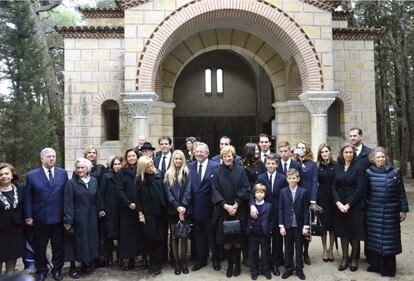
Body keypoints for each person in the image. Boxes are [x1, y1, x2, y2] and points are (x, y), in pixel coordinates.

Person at [23, 148, 68, 281]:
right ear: (42, 158)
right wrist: (28, 216)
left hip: (58, 217)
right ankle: (42, 270)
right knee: (40, 247)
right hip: (40, 218)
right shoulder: (31, 175)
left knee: (58, 246)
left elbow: (66, 195)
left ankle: (57, 270)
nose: (51, 159)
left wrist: (67, 216)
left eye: (53, 156)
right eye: (48, 156)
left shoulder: (63, 173)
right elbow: (28, 198)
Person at [365, 147, 409, 277]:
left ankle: (389, 269)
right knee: (375, 240)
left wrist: (403, 209)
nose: (380, 159)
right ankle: (376, 266)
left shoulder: (395, 172)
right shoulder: (368, 172)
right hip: (373, 211)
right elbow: (365, 193)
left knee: (390, 240)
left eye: (382, 157)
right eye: (378, 157)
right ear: (373, 159)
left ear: (386, 158)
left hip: (391, 211)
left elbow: (401, 192)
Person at [211, 145, 250, 278]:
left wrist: (236, 204)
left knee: (238, 240)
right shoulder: (216, 172)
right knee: (226, 241)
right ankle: (230, 265)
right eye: (224, 156)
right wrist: (225, 205)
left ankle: (238, 265)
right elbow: (214, 190)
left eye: (229, 156)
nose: (227, 158)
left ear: (233, 157)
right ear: (221, 158)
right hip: (223, 210)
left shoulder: (241, 170)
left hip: (238, 210)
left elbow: (246, 188)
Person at [251, 153, 287, 276]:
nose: (271, 165)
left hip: (277, 213)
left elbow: (285, 196)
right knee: (265, 241)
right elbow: (253, 193)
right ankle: (264, 263)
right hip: (263, 214)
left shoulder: (282, 178)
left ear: (277, 164)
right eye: (268, 163)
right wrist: (252, 205)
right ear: (265, 164)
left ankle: (275, 264)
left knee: (277, 241)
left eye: (273, 163)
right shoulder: (261, 177)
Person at [331, 143, 366, 272]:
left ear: (354, 154)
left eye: (351, 152)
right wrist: (338, 203)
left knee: (354, 233)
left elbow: (360, 189)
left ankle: (354, 259)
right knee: (343, 233)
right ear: (342, 154)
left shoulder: (359, 167)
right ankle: (345, 258)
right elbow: (333, 187)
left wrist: (348, 204)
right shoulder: (338, 167)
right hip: (339, 205)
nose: (348, 154)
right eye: (346, 152)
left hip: (354, 205)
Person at [63, 158, 99, 278]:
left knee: (88, 240)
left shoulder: (94, 181)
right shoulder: (71, 183)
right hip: (78, 217)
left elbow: (97, 198)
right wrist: (68, 220)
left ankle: (86, 263)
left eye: (82, 167)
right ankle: (73, 268)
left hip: (91, 216)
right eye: (77, 168)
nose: (80, 170)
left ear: (88, 169)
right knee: (76, 242)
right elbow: (67, 203)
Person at [188, 142, 220, 271]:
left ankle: (216, 259)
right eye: (197, 151)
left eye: (202, 151)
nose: (199, 154)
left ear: (207, 153)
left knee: (213, 237)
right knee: (199, 236)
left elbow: (217, 187)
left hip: (211, 208)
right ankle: (201, 260)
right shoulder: (189, 167)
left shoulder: (216, 166)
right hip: (195, 208)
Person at [136, 156, 167, 275]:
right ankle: (152, 261)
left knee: (160, 238)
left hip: (161, 213)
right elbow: (137, 198)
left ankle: (158, 263)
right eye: (147, 166)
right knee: (150, 239)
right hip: (148, 214)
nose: (150, 168)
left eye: (151, 165)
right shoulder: (139, 180)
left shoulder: (159, 175)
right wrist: (140, 214)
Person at [164, 150, 192, 275]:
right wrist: (177, 207)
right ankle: (176, 263)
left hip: (185, 210)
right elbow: (168, 194)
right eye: (176, 159)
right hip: (172, 210)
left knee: (184, 236)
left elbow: (188, 191)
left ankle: (184, 262)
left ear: (183, 160)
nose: (178, 161)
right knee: (174, 237)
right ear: (173, 160)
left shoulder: (187, 173)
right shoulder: (167, 174)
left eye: (180, 159)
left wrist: (183, 206)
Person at [279, 169, 309, 280]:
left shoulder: (303, 191)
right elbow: (281, 209)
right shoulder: (283, 191)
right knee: (288, 248)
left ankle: (299, 269)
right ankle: (288, 268)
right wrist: (281, 225)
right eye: (290, 178)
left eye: (294, 178)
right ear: (287, 179)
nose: (292, 180)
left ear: (298, 179)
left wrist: (306, 226)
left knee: (299, 247)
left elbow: (306, 210)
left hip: (299, 226)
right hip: (287, 225)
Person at [117, 149, 144, 270]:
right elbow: (119, 190)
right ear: (126, 158)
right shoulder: (121, 172)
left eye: (133, 155)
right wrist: (129, 203)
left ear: (137, 157)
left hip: (141, 208)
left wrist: (139, 204)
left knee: (141, 233)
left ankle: (144, 259)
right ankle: (131, 260)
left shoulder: (141, 170)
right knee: (128, 235)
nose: (131, 158)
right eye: (129, 156)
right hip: (127, 209)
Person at [293, 141, 318, 265]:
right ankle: (296, 254)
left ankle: (306, 252)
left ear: (307, 150)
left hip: (307, 200)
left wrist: (313, 201)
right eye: (298, 147)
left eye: (303, 148)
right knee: (295, 227)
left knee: (306, 227)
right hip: (294, 199)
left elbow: (314, 183)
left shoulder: (312, 165)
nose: (301, 150)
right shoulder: (294, 163)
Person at [97, 156, 123, 267]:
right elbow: (101, 194)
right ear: (112, 166)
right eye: (115, 164)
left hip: (122, 209)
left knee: (122, 235)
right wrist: (102, 208)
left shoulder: (123, 176)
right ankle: (110, 258)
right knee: (109, 236)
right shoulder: (106, 177)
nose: (117, 166)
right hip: (110, 210)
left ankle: (121, 257)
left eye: (119, 164)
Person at [83, 145, 106, 267]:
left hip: (97, 205)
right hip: (84, 206)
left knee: (99, 232)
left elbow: (103, 189)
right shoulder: (81, 168)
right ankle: (87, 258)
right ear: (85, 154)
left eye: (94, 152)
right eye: (89, 152)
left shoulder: (100, 168)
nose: (92, 154)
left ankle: (99, 258)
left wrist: (101, 207)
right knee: (87, 232)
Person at [0, 163, 25, 273]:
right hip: (0, 231)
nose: (4, 176)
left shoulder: (20, 189)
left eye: (6, 173)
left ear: (12, 174)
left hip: (16, 230)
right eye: (0, 174)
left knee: (12, 258)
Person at [247, 183, 273, 280]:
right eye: (257, 192)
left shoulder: (269, 206)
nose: (259, 194)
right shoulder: (250, 206)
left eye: (262, 192)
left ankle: (266, 270)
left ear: (265, 194)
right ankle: (254, 271)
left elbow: (271, 220)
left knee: (265, 252)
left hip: (264, 233)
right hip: (253, 233)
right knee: (253, 252)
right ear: (254, 194)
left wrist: (269, 230)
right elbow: (248, 218)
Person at [316, 144, 336, 262]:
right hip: (322, 198)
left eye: (326, 151)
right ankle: (324, 250)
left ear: (330, 152)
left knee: (332, 227)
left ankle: (331, 250)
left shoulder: (336, 165)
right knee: (323, 226)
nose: (324, 153)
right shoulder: (317, 166)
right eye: (322, 152)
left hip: (334, 198)